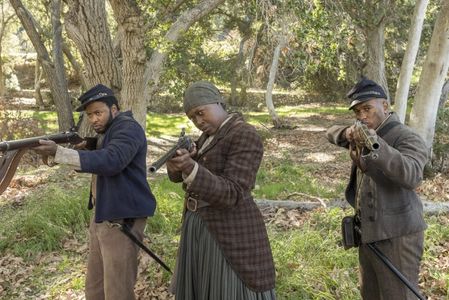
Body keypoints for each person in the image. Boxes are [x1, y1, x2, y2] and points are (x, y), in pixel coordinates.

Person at [33, 84, 156, 300]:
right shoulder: (108, 132)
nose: (93, 119)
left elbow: (112, 160)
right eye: (90, 115)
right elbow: (101, 155)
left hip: (121, 221)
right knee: (95, 289)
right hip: (103, 217)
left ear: (114, 109)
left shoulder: (128, 128)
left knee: (117, 292)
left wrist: (60, 153)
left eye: (98, 112)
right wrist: (72, 152)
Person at [166, 81, 276, 299]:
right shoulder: (206, 138)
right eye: (192, 118)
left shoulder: (244, 134)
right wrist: (175, 166)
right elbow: (187, 176)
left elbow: (233, 192)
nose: (198, 121)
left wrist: (191, 167)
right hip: (198, 227)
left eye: (200, 112)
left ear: (217, 102)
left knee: (226, 290)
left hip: (230, 232)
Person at [326, 77, 428, 299]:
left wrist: (377, 145)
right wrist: (347, 133)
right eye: (357, 112)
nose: (362, 116)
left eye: (367, 109)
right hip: (368, 234)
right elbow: (330, 133)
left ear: (385, 106)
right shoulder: (363, 130)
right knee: (370, 295)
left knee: (399, 295)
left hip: (398, 235)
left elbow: (412, 175)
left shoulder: (406, 136)